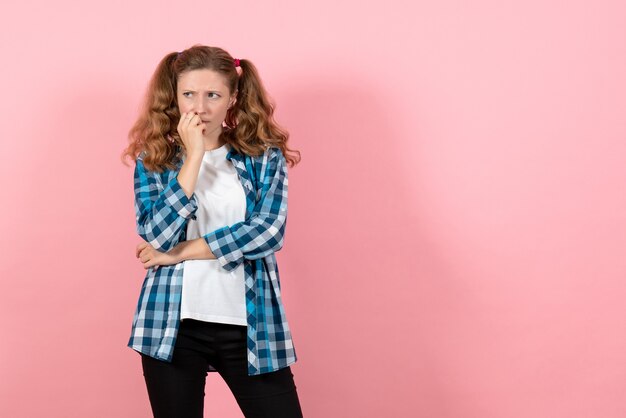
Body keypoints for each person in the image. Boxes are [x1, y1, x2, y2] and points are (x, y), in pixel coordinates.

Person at [120, 44, 303, 418]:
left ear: (232, 98)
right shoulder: (154, 158)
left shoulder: (262, 157)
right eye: (188, 94)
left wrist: (182, 251)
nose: (199, 107)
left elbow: (268, 232)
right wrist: (194, 155)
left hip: (250, 324)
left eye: (212, 95)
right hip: (172, 324)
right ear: (174, 96)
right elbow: (156, 233)